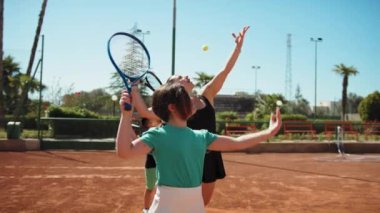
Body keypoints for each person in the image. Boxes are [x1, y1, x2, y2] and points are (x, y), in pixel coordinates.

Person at [116, 83, 282, 212]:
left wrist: (269, 131)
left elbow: (238, 142)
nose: (192, 100)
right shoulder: (156, 135)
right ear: (172, 107)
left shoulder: (202, 136)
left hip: (194, 206)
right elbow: (125, 152)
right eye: (186, 98)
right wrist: (126, 116)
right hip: (165, 207)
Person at [131, 26, 250, 205]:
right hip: (186, 158)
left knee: (201, 205)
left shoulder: (206, 95)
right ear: (173, 86)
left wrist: (237, 49)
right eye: (180, 77)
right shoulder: (171, 107)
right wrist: (133, 88)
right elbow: (144, 112)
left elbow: (224, 72)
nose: (186, 76)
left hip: (210, 156)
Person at [140, 118, 161, 213]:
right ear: (148, 124)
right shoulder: (149, 134)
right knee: (150, 188)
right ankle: (146, 209)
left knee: (162, 189)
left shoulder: (159, 131)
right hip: (151, 166)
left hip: (161, 165)